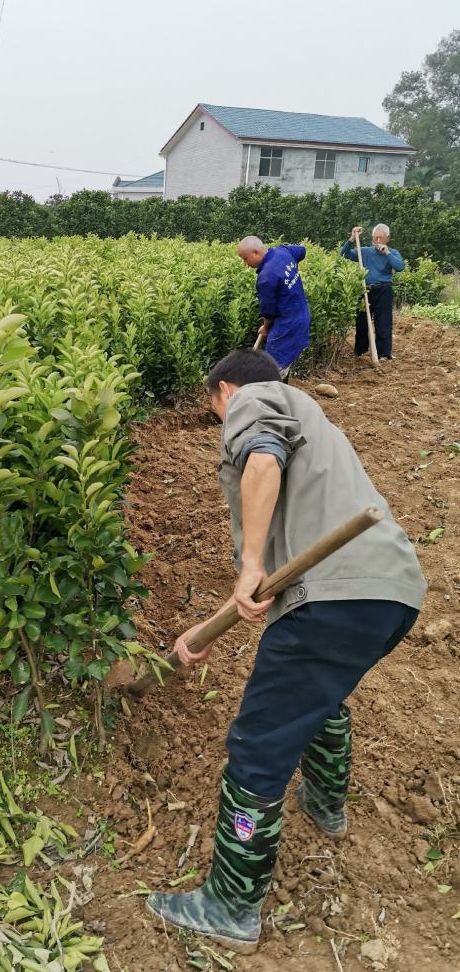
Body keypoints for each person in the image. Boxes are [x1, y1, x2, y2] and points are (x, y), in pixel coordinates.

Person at [147, 349, 425, 954]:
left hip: (332, 596)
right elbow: (269, 587)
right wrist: (210, 625)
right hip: (391, 593)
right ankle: (326, 807)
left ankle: (230, 904)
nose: (221, 419)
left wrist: (248, 564)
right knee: (319, 696)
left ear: (224, 390)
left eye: (214, 408)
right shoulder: (315, 422)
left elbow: (262, 456)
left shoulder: (256, 399)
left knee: (258, 746)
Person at [237, 237, 310, 381]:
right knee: (283, 364)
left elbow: (268, 311)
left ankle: (276, 400)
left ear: (256, 252)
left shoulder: (266, 277)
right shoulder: (284, 251)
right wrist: (289, 268)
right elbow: (302, 251)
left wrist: (265, 327)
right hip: (301, 316)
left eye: (245, 259)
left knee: (273, 367)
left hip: (287, 324)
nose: (245, 264)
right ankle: (281, 395)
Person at [340, 224, 404, 361]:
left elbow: (400, 267)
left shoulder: (392, 252)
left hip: (384, 290)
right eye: (376, 238)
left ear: (388, 238)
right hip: (365, 289)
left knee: (383, 323)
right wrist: (352, 238)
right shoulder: (365, 251)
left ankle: (383, 354)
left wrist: (387, 253)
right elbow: (344, 254)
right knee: (362, 322)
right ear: (373, 238)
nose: (378, 241)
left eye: (381, 238)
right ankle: (361, 352)